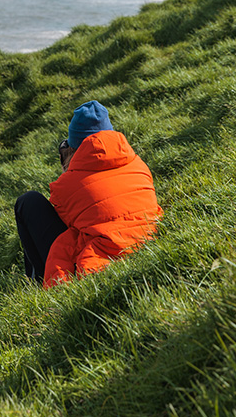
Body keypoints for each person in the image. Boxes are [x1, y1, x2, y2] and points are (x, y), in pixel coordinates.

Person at [14, 99, 162, 288]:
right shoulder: (139, 164)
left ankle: (37, 282)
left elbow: (68, 224)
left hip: (100, 257)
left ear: (73, 147)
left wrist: (68, 170)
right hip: (145, 239)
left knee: (28, 202)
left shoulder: (66, 184)